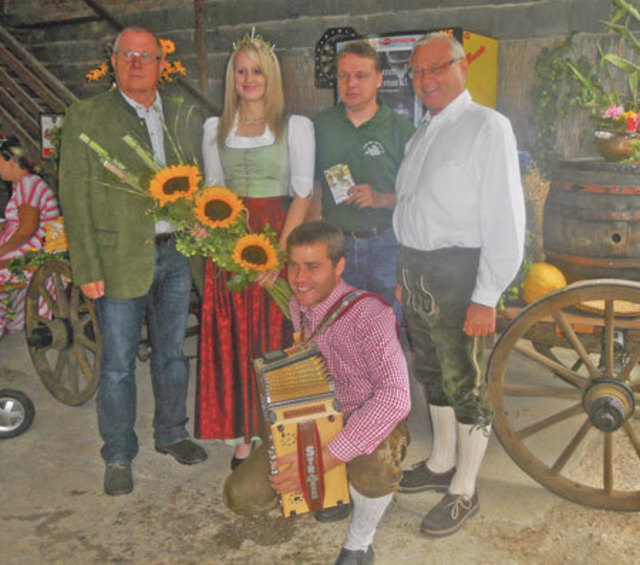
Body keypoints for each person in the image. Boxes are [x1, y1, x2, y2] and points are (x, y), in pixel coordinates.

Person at [59, 26, 207, 496]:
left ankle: (172, 434)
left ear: (162, 64)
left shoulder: (183, 113)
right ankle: (119, 453)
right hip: (118, 260)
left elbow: (199, 180)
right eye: (129, 55)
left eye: (147, 56)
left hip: (176, 255)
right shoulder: (86, 117)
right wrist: (87, 268)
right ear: (115, 60)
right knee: (118, 365)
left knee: (172, 356)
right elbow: (74, 198)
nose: (138, 64)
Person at [393, 32, 526, 536]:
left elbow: (505, 216)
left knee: (466, 383)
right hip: (418, 272)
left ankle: (464, 489)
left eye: (436, 68)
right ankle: (441, 461)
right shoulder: (422, 131)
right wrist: (407, 276)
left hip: (460, 275)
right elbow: (413, 207)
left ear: (461, 66)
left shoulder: (486, 127)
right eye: (418, 72)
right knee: (433, 373)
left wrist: (487, 293)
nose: (426, 80)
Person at [223, 221, 411, 565]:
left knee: (374, 468)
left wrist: (323, 459)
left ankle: (359, 544)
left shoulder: (371, 315)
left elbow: (396, 396)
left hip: (363, 415)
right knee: (241, 496)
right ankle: (335, 490)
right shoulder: (300, 305)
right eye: (293, 265)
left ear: (339, 267)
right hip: (314, 417)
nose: (299, 277)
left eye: (313, 266)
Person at [196, 31, 313, 468]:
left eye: (256, 70)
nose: (248, 79)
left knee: (275, 338)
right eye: (241, 71)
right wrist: (207, 228)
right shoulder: (215, 128)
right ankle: (242, 434)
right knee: (234, 336)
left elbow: (301, 194)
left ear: (271, 75)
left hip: (275, 236)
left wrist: (278, 256)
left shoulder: (294, 127)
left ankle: (275, 431)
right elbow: (214, 192)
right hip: (230, 245)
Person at [310, 40, 414, 320]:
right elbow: (313, 190)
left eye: (361, 75)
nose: (351, 84)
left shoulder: (402, 131)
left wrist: (381, 199)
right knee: (340, 327)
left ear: (379, 78)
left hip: (386, 245)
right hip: (336, 245)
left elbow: (418, 198)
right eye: (344, 76)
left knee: (386, 329)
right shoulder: (321, 125)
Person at [0, 136, 59, 338]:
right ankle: (13, 320)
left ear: (11, 161)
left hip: (35, 251)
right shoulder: (22, 185)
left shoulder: (28, 185)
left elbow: (27, 230)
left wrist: (2, 251)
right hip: (28, 247)